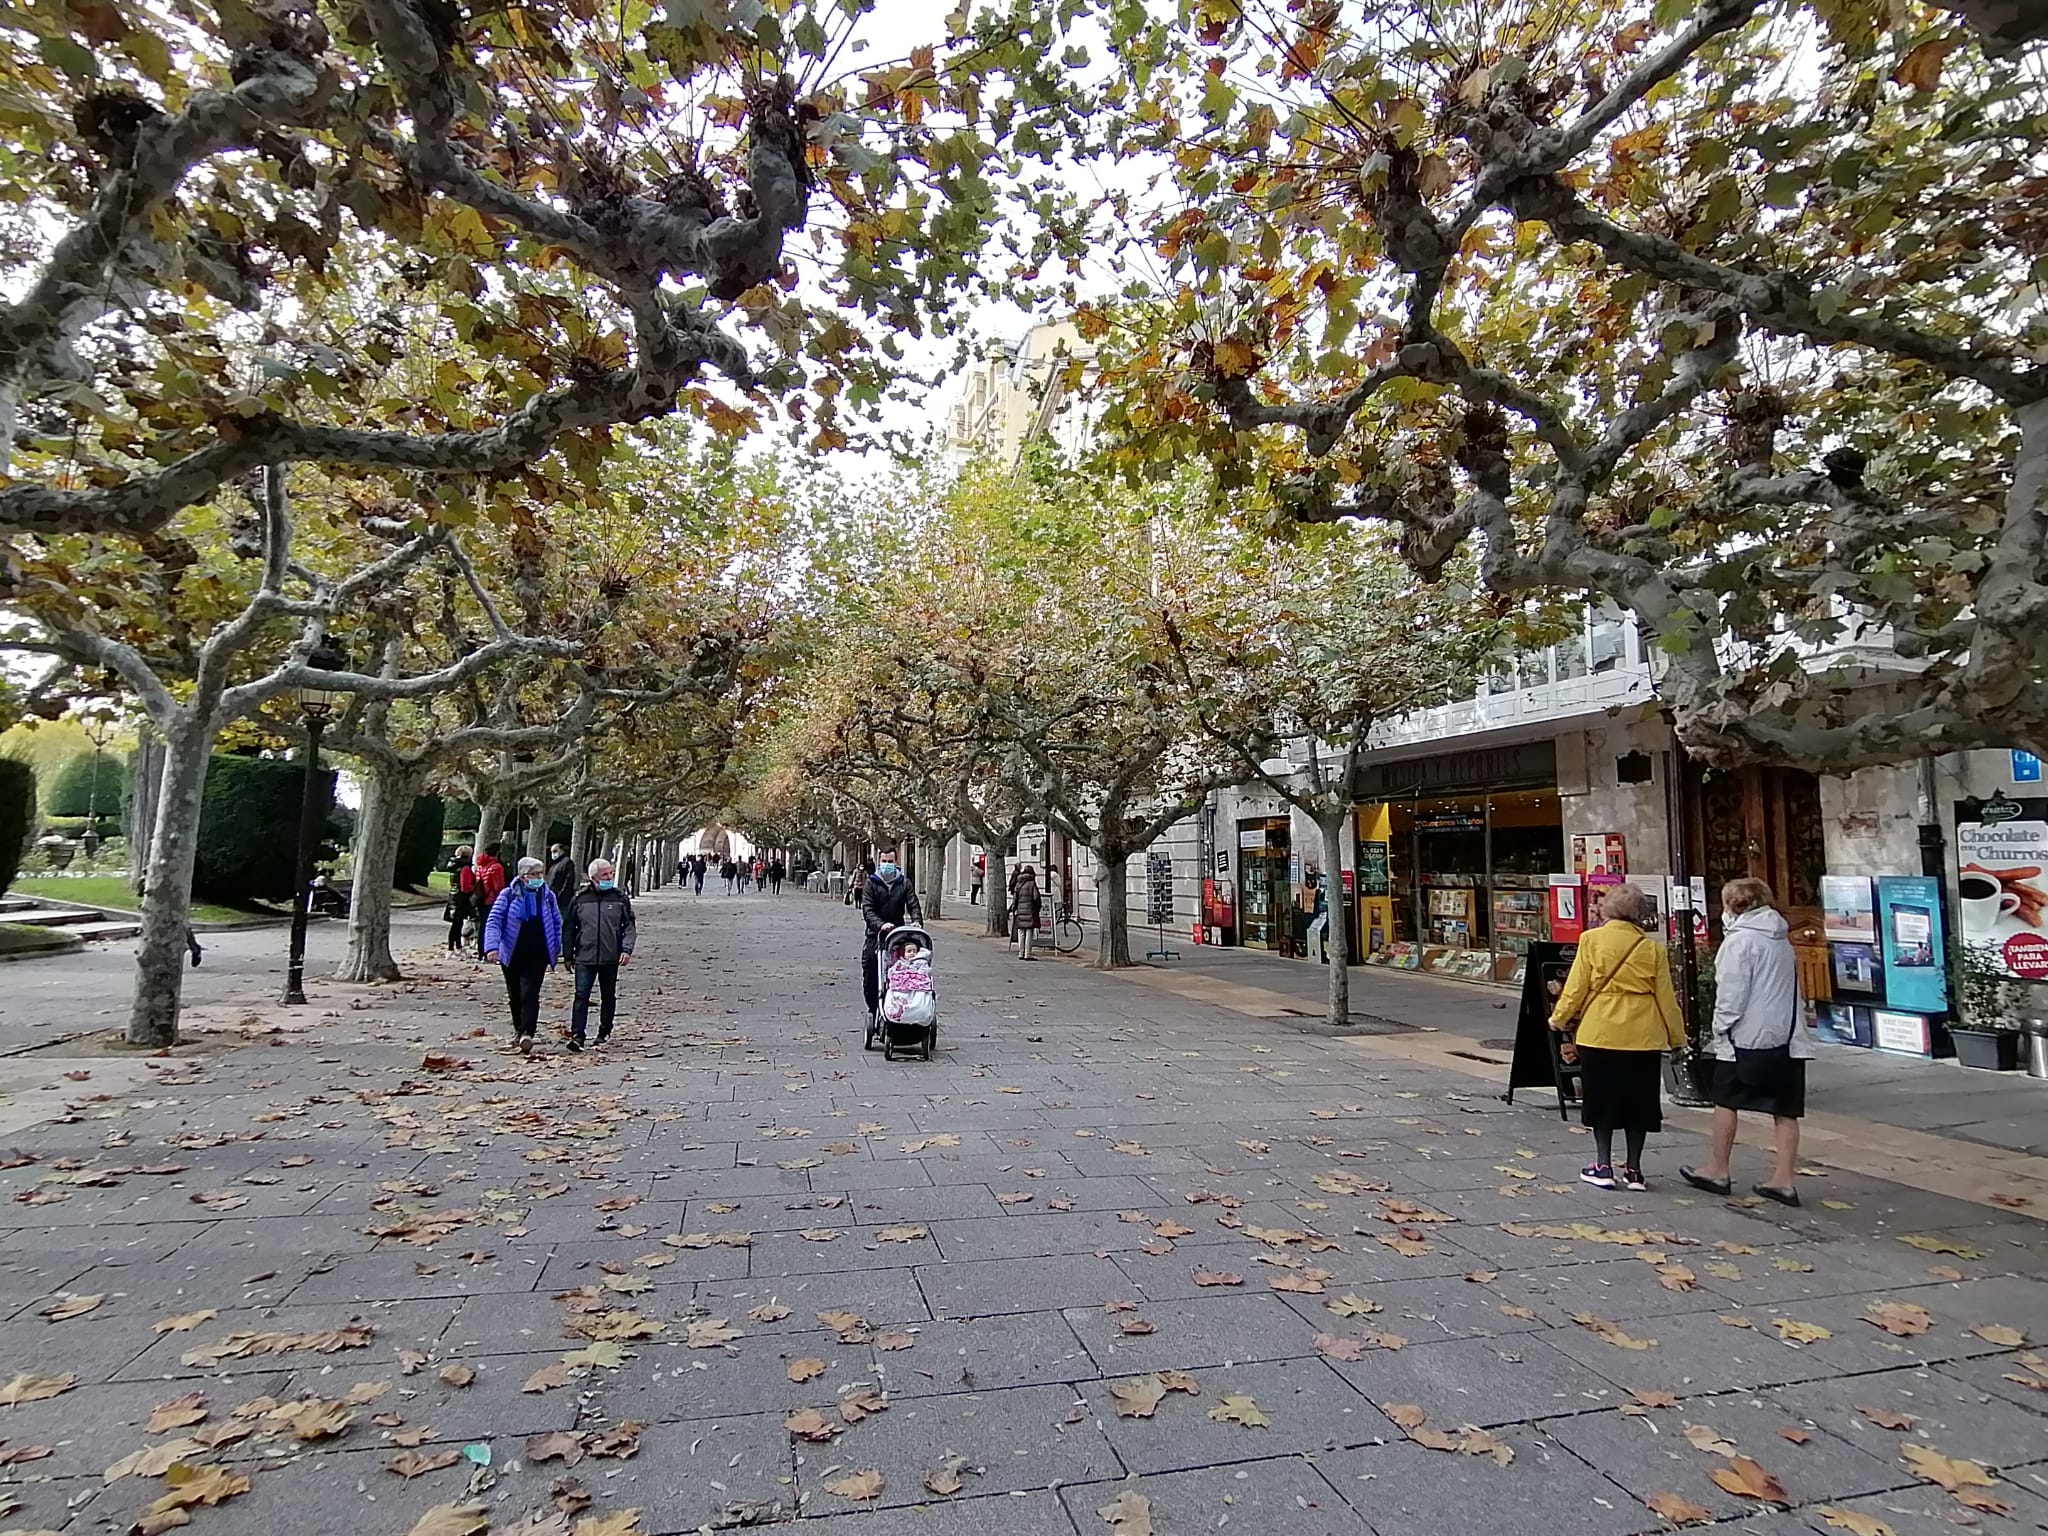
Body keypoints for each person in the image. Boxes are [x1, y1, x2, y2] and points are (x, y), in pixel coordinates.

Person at [1681, 878, 1815, 1206]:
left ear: (1732, 906)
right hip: (1786, 1036)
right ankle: (1783, 1179)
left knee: (1726, 1101)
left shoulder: (1740, 943)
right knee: (1785, 1109)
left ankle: (1718, 1168)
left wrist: (1720, 1029)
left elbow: (1731, 995)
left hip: (1746, 1038)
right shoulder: (1780, 937)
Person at [1546, 881, 1684, 1191]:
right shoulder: (1653, 949)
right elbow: (1666, 999)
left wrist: (1559, 1017)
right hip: (1643, 1035)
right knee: (1640, 1103)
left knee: (1601, 1100)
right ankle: (1634, 1170)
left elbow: (1577, 987)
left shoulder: (1591, 940)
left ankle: (1603, 1164)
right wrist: (1678, 1039)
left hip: (1600, 1033)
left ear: (1608, 908)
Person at [483, 856, 563, 1055]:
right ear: (523, 876)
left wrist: (557, 946)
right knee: (515, 994)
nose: (538, 877)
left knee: (530, 993)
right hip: (512, 951)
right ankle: (518, 1030)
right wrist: (491, 947)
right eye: (534, 874)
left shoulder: (547, 895)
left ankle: (528, 1032)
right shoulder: (509, 894)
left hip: (538, 953)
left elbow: (556, 921)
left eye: (540, 873)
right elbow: (494, 921)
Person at [564, 857, 636, 1052]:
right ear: (593, 877)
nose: (609, 877)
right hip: (585, 955)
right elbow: (569, 927)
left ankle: (604, 1031)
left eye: (611, 873)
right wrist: (567, 954)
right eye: (605, 874)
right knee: (581, 995)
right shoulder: (580, 899)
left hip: (610, 955)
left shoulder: (619, 898)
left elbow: (629, 926)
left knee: (608, 995)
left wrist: (626, 949)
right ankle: (578, 1034)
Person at [860, 847, 923, 1020]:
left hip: (898, 934)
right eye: (884, 861)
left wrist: (916, 921)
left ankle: (904, 1006)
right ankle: (874, 1008)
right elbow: (868, 910)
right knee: (871, 970)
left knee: (904, 970)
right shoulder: (871, 883)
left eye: (890, 861)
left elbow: (913, 904)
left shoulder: (904, 883)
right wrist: (880, 925)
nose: (887, 865)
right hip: (876, 935)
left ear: (896, 862)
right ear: (879, 862)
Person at [471, 843, 508, 959]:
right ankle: (491, 950)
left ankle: (481, 951)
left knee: (482, 925)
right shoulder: (496, 867)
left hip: (481, 899)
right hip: (492, 900)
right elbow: (498, 887)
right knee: (493, 925)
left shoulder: (480, 866)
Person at [1010, 862, 1042, 960]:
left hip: (1020, 910)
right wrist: (1038, 907)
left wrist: (1014, 908)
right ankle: (1027, 954)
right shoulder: (1032, 883)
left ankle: (1021, 952)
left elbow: (1015, 898)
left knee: (1021, 932)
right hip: (1030, 910)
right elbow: (1036, 897)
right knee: (1029, 931)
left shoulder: (1018, 883)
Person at [447, 844, 474, 953]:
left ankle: (456, 946)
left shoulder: (453, 867)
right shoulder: (465, 868)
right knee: (457, 924)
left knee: (456, 923)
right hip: (462, 898)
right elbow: (466, 887)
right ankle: (453, 948)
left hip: (453, 896)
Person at [546, 842, 578, 907]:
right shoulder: (554, 865)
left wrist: (561, 897)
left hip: (561, 900)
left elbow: (568, 882)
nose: (553, 854)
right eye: (552, 852)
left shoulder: (567, 862)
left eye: (555, 851)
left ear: (562, 850)